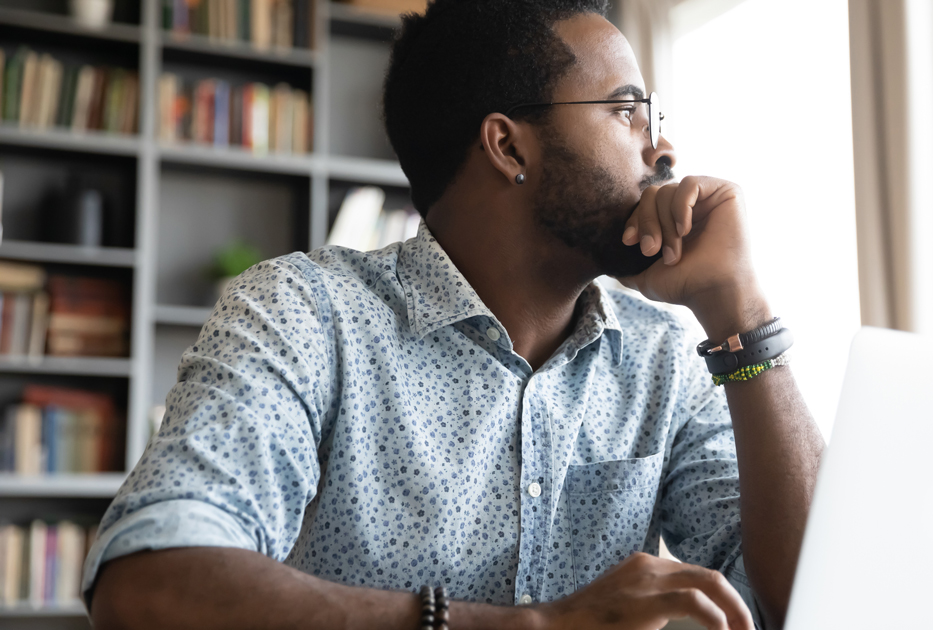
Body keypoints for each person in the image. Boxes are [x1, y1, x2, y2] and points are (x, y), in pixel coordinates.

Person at [85, 1, 824, 628]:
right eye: (626, 110)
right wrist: (532, 627)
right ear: (507, 145)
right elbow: (149, 580)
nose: (662, 148)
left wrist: (742, 315)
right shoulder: (307, 315)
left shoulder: (662, 356)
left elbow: (810, 604)